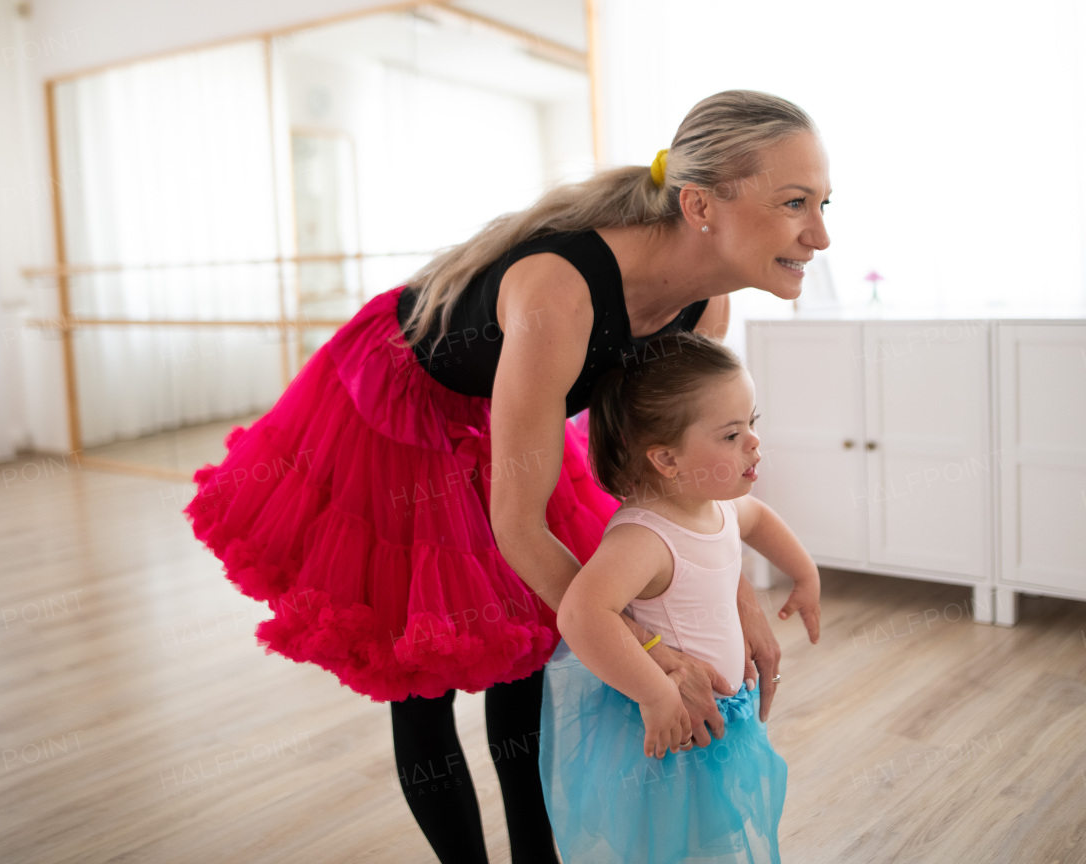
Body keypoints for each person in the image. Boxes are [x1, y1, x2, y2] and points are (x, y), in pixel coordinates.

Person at [183, 89, 831, 864]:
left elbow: (684, 487)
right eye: (796, 203)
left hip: (517, 410)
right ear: (699, 205)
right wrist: (654, 659)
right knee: (424, 674)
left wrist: (736, 602)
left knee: (525, 659)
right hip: (398, 410)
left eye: (824, 203)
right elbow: (519, 529)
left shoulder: (705, 308)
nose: (819, 234)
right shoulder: (561, 292)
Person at [540, 331, 821, 864]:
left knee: (714, 842)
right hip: (668, 734)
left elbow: (759, 519)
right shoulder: (644, 537)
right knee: (667, 848)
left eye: (752, 425)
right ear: (667, 459)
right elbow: (581, 613)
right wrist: (654, 694)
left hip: (723, 718)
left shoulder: (715, 505)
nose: (754, 444)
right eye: (733, 434)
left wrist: (804, 574)